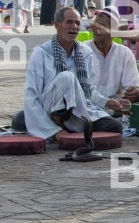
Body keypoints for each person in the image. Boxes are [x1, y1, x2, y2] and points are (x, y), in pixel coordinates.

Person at [24, 7, 126, 140]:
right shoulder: (41, 54)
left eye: (77, 23)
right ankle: (58, 130)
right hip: (48, 110)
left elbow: (88, 91)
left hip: (77, 110)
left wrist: (107, 102)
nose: (74, 27)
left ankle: (72, 128)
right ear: (57, 25)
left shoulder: (84, 52)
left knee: (115, 126)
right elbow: (31, 97)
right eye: (69, 22)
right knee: (67, 77)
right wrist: (54, 131)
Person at [85, 6, 139, 103]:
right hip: (90, 102)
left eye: (101, 26)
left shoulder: (125, 53)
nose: (96, 29)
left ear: (113, 30)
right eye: (95, 25)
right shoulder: (83, 50)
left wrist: (134, 91)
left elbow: (132, 85)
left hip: (117, 103)